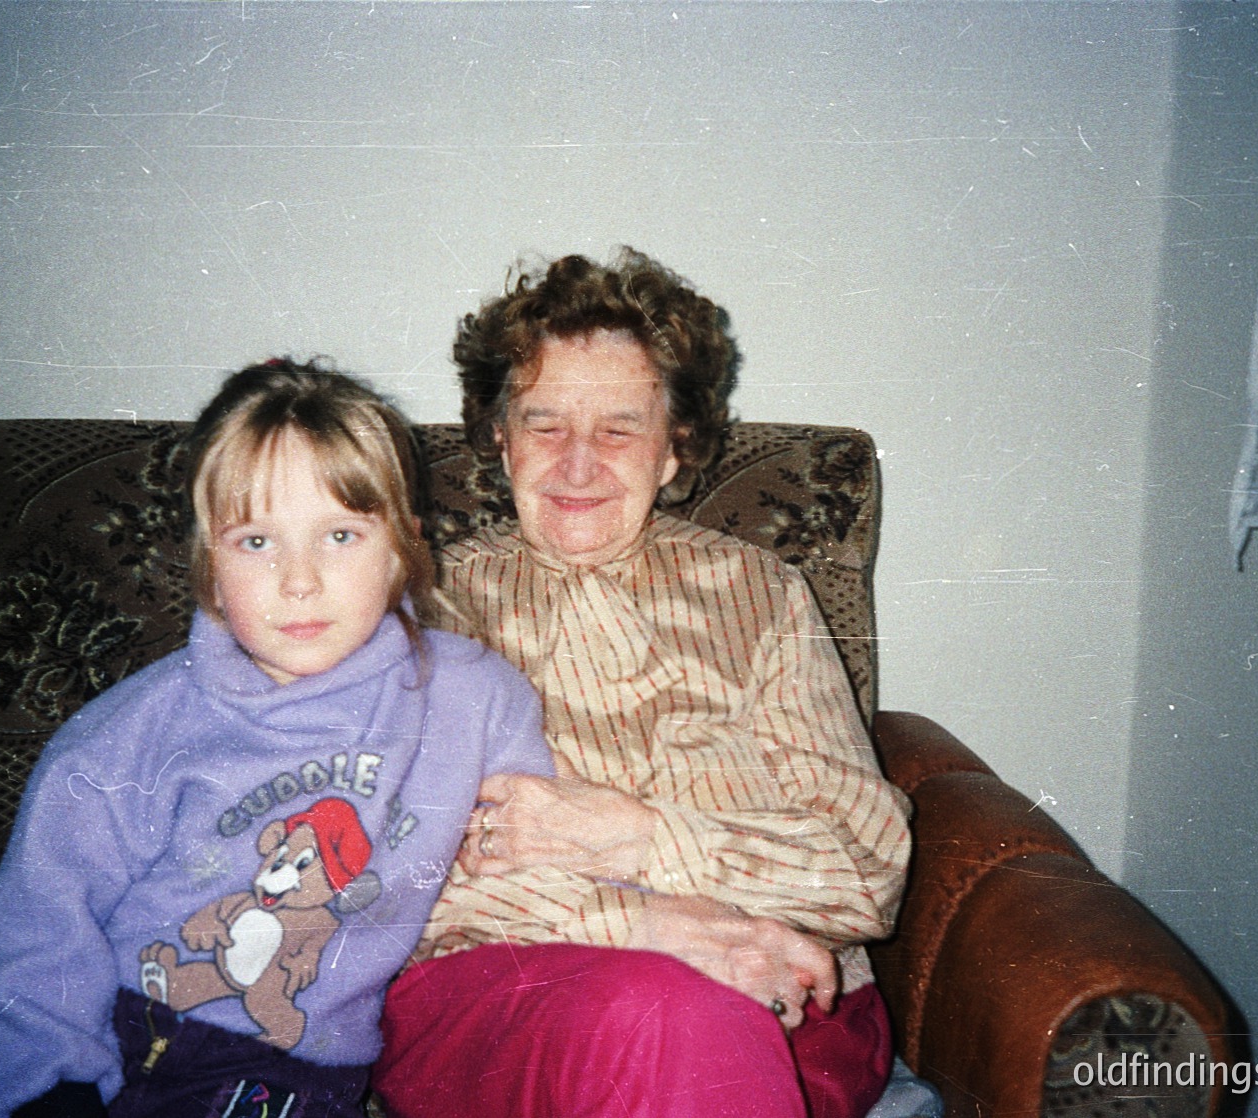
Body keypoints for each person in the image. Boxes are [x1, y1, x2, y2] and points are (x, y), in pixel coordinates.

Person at [373, 250, 913, 1118]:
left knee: (699, 1036)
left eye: (620, 429)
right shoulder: (416, 610)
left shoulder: (764, 591)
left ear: (674, 449)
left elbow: (864, 868)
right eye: (545, 424)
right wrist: (644, 926)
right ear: (500, 437)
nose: (578, 464)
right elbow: (384, 876)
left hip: (785, 994)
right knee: (670, 1019)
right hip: (505, 1009)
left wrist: (639, 839)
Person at [0, 360, 553, 1118]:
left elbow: (545, 857)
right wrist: (52, 1084)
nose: (300, 581)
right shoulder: (133, 729)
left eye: (340, 535)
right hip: (93, 1026)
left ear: (402, 548)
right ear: (207, 563)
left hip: (287, 1059)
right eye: (256, 542)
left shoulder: (476, 698)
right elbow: (38, 920)